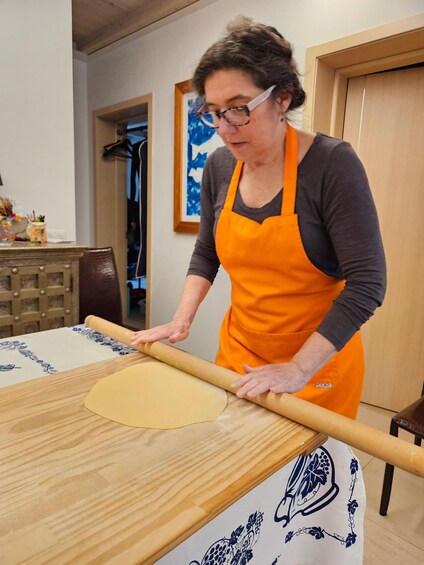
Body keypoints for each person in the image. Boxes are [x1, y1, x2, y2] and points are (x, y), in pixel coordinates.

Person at [132, 16, 386, 419]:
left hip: (313, 369)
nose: (222, 128)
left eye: (237, 110)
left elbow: (368, 284)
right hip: (240, 353)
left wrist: (298, 368)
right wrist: (181, 320)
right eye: (212, 112)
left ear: (282, 97)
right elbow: (206, 252)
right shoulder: (219, 165)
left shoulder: (332, 165)